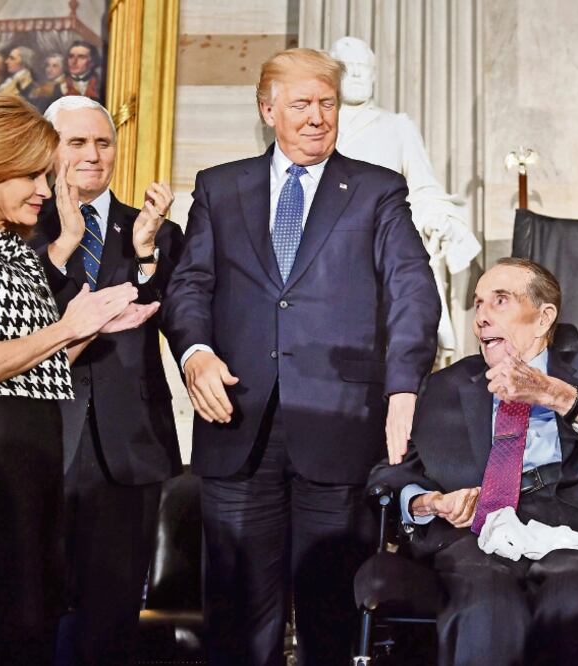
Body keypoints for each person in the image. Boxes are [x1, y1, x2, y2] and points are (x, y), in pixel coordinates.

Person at [161, 47, 440, 665]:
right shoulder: (220, 186)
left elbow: (414, 290)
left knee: (332, 618)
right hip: (235, 422)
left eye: (327, 104)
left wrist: (403, 386)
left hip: (341, 426)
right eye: (301, 104)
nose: (317, 118)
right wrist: (195, 353)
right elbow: (189, 285)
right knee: (236, 622)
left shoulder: (376, 191)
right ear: (267, 110)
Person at [0, 94, 157, 665]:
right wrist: (68, 325)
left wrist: (93, 327)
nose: (46, 192)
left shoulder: (15, 248)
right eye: (31, 176)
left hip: (34, 471)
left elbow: (43, 366)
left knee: (33, 637)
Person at [369, 258, 578, 666]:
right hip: (473, 540)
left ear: (543, 317)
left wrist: (561, 398)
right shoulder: (446, 385)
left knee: (574, 608)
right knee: (485, 610)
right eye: (478, 304)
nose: (481, 317)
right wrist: (425, 503)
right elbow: (391, 472)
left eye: (500, 301)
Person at [31, 95, 184, 665]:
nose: (94, 155)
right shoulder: (23, 223)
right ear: (50, 150)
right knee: (37, 606)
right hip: (42, 438)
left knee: (112, 614)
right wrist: (60, 243)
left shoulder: (154, 231)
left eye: (103, 142)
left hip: (131, 444)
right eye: (77, 143)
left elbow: (176, 317)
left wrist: (145, 257)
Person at [329, 36, 481, 357]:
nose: (356, 75)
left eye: (363, 69)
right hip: (325, 255)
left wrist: (438, 218)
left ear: (374, 76)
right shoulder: (317, 126)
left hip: (381, 248)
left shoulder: (397, 127)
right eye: (348, 68)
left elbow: (423, 188)